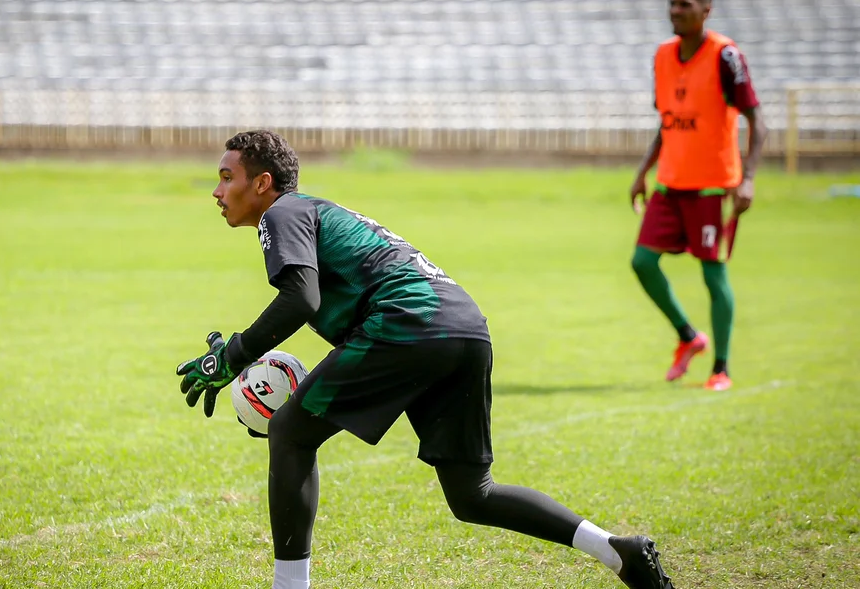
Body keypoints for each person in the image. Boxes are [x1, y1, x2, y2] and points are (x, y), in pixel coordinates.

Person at [176, 130, 675, 589]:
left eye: (227, 177)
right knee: (472, 494)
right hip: (463, 323)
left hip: (408, 322)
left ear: (263, 183)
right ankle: (618, 552)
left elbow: (300, 299)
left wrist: (231, 360)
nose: (217, 192)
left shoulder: (282, 213)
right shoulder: (311, 212)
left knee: (289, 432)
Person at [629, 0, 767, 390]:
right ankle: (689, 336)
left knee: (713, 273)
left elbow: (759, 122)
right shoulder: (662, 55)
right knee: (642, 262)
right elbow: (667, 122)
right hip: (670, 184)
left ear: (707, 9)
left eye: (685, 5)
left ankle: (720, 368)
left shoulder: (726, 56)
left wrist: (749, 178)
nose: (675, 11)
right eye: (672, 4)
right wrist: (643, 173)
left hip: (713, 187)